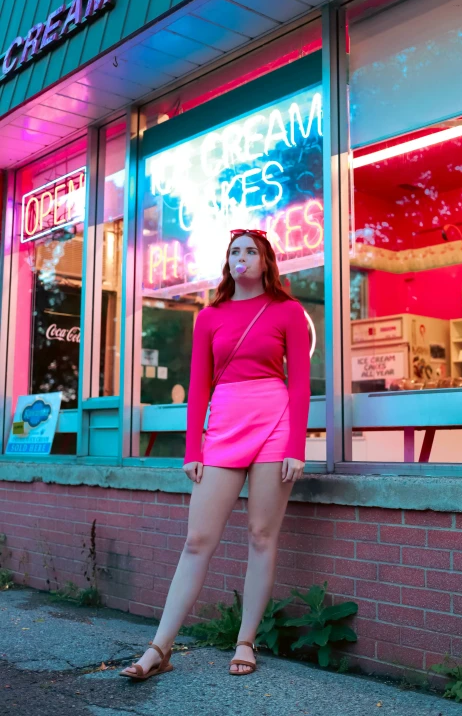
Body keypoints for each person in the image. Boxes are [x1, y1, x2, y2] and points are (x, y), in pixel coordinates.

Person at [121, 228, 311, 680]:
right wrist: (193, 449)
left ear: (266, 261)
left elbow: (300, 383)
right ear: (226, 262)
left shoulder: (288, 311)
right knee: (197, 540)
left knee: (261, 536)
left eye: (250, 251)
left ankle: (246, 641)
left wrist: (296, 446)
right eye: (234, 252)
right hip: (224, 425)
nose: (241, 257)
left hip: (274, 423)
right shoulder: (209, 316)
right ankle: (159, 647)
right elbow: (199, 388)